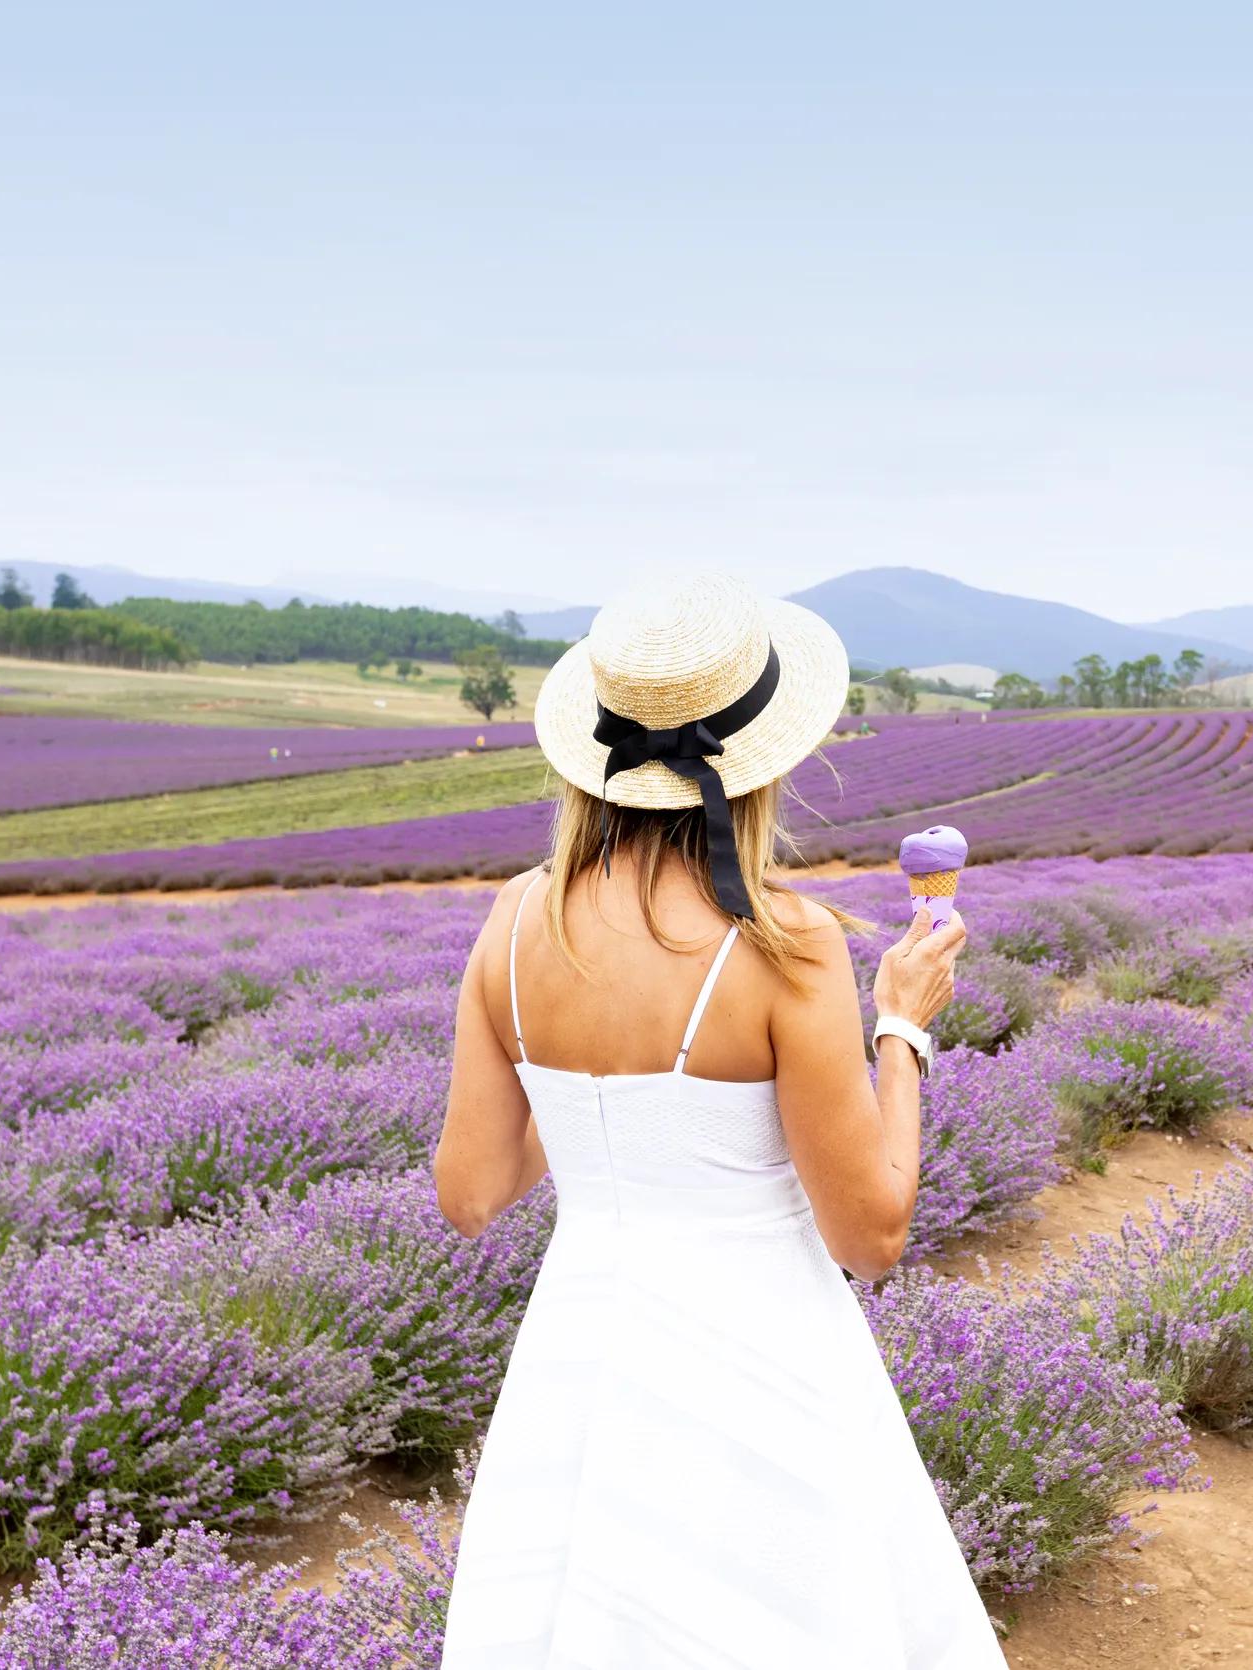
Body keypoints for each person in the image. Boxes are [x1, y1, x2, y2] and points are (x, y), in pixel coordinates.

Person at [432, 574, 1003, 1668]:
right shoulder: (786, 941)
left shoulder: (514, 917)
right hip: (757, 1351)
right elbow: (871, 1235)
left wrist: (585, 1074)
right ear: (765, 755)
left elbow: (470, 1195)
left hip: (582, 1354)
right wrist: (901, 1028)